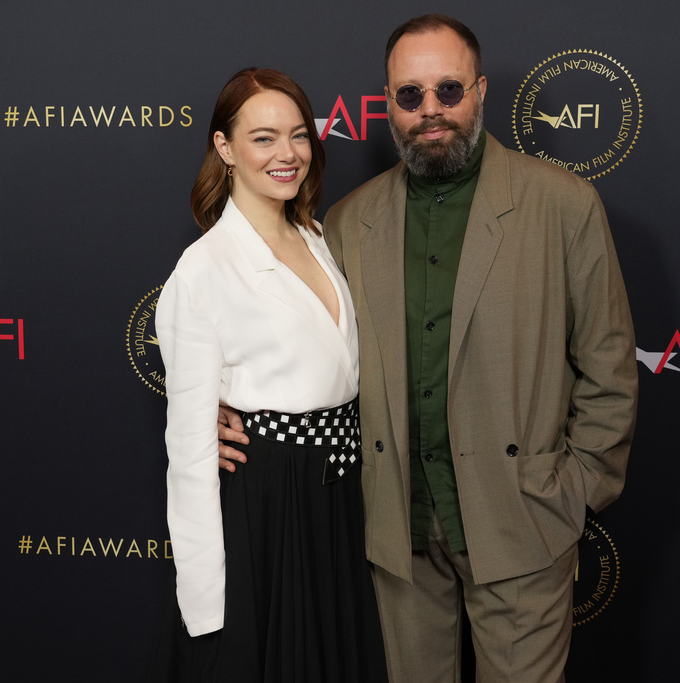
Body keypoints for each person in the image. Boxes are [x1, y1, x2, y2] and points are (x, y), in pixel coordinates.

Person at [219, 15, 638, 683]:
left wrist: (576, 490)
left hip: (523, 523)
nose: (430, 111)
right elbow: (297, 342)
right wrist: (212, 403)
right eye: (410, 96)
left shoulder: (562, 205)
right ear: (388, 104)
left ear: (479, 91)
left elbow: (609, 365)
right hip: (395, 535)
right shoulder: (353, 219)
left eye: (448, 89)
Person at [155, 67, 387, 682]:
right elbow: (189, 454)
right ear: (224, 148)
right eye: (263, 138)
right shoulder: (203, 270)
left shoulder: (317, 237)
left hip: (340, 497)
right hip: (267, 503)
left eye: (299, 135)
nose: (287, 154)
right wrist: (205, 600)